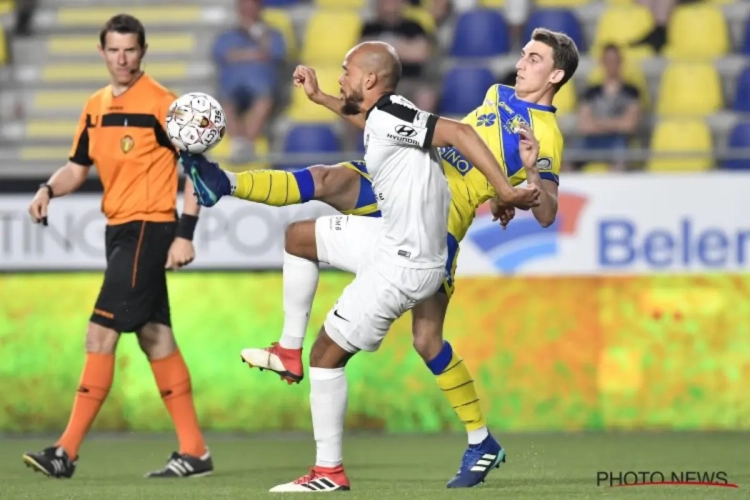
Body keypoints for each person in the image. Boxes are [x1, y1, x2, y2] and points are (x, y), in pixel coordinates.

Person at [184, 27, 579, 489]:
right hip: (406, 188)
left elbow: (547, 212)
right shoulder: (497, 94)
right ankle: (225, 187)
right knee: (323, 184)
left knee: (427, 340)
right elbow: (407, 130)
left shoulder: (546, 134)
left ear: (556, 75)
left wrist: (524, 178)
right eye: (524, 54)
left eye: (534, 59)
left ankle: (479, 439)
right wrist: (322, 99)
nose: (521, 63)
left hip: (434, 225)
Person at [23, 14, 212, 479]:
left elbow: (197, 171)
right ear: (102, 52)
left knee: (99, 334)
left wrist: (185, 233)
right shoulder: (94, 106)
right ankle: (195, 452)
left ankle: (65, 451)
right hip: (119, 231)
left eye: (130, 50)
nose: (122, 59)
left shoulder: (164, 105)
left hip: (150, 228)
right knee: (155, 336)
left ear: (143, 51)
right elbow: (76, 166)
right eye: (114, 50)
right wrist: (48, 189)